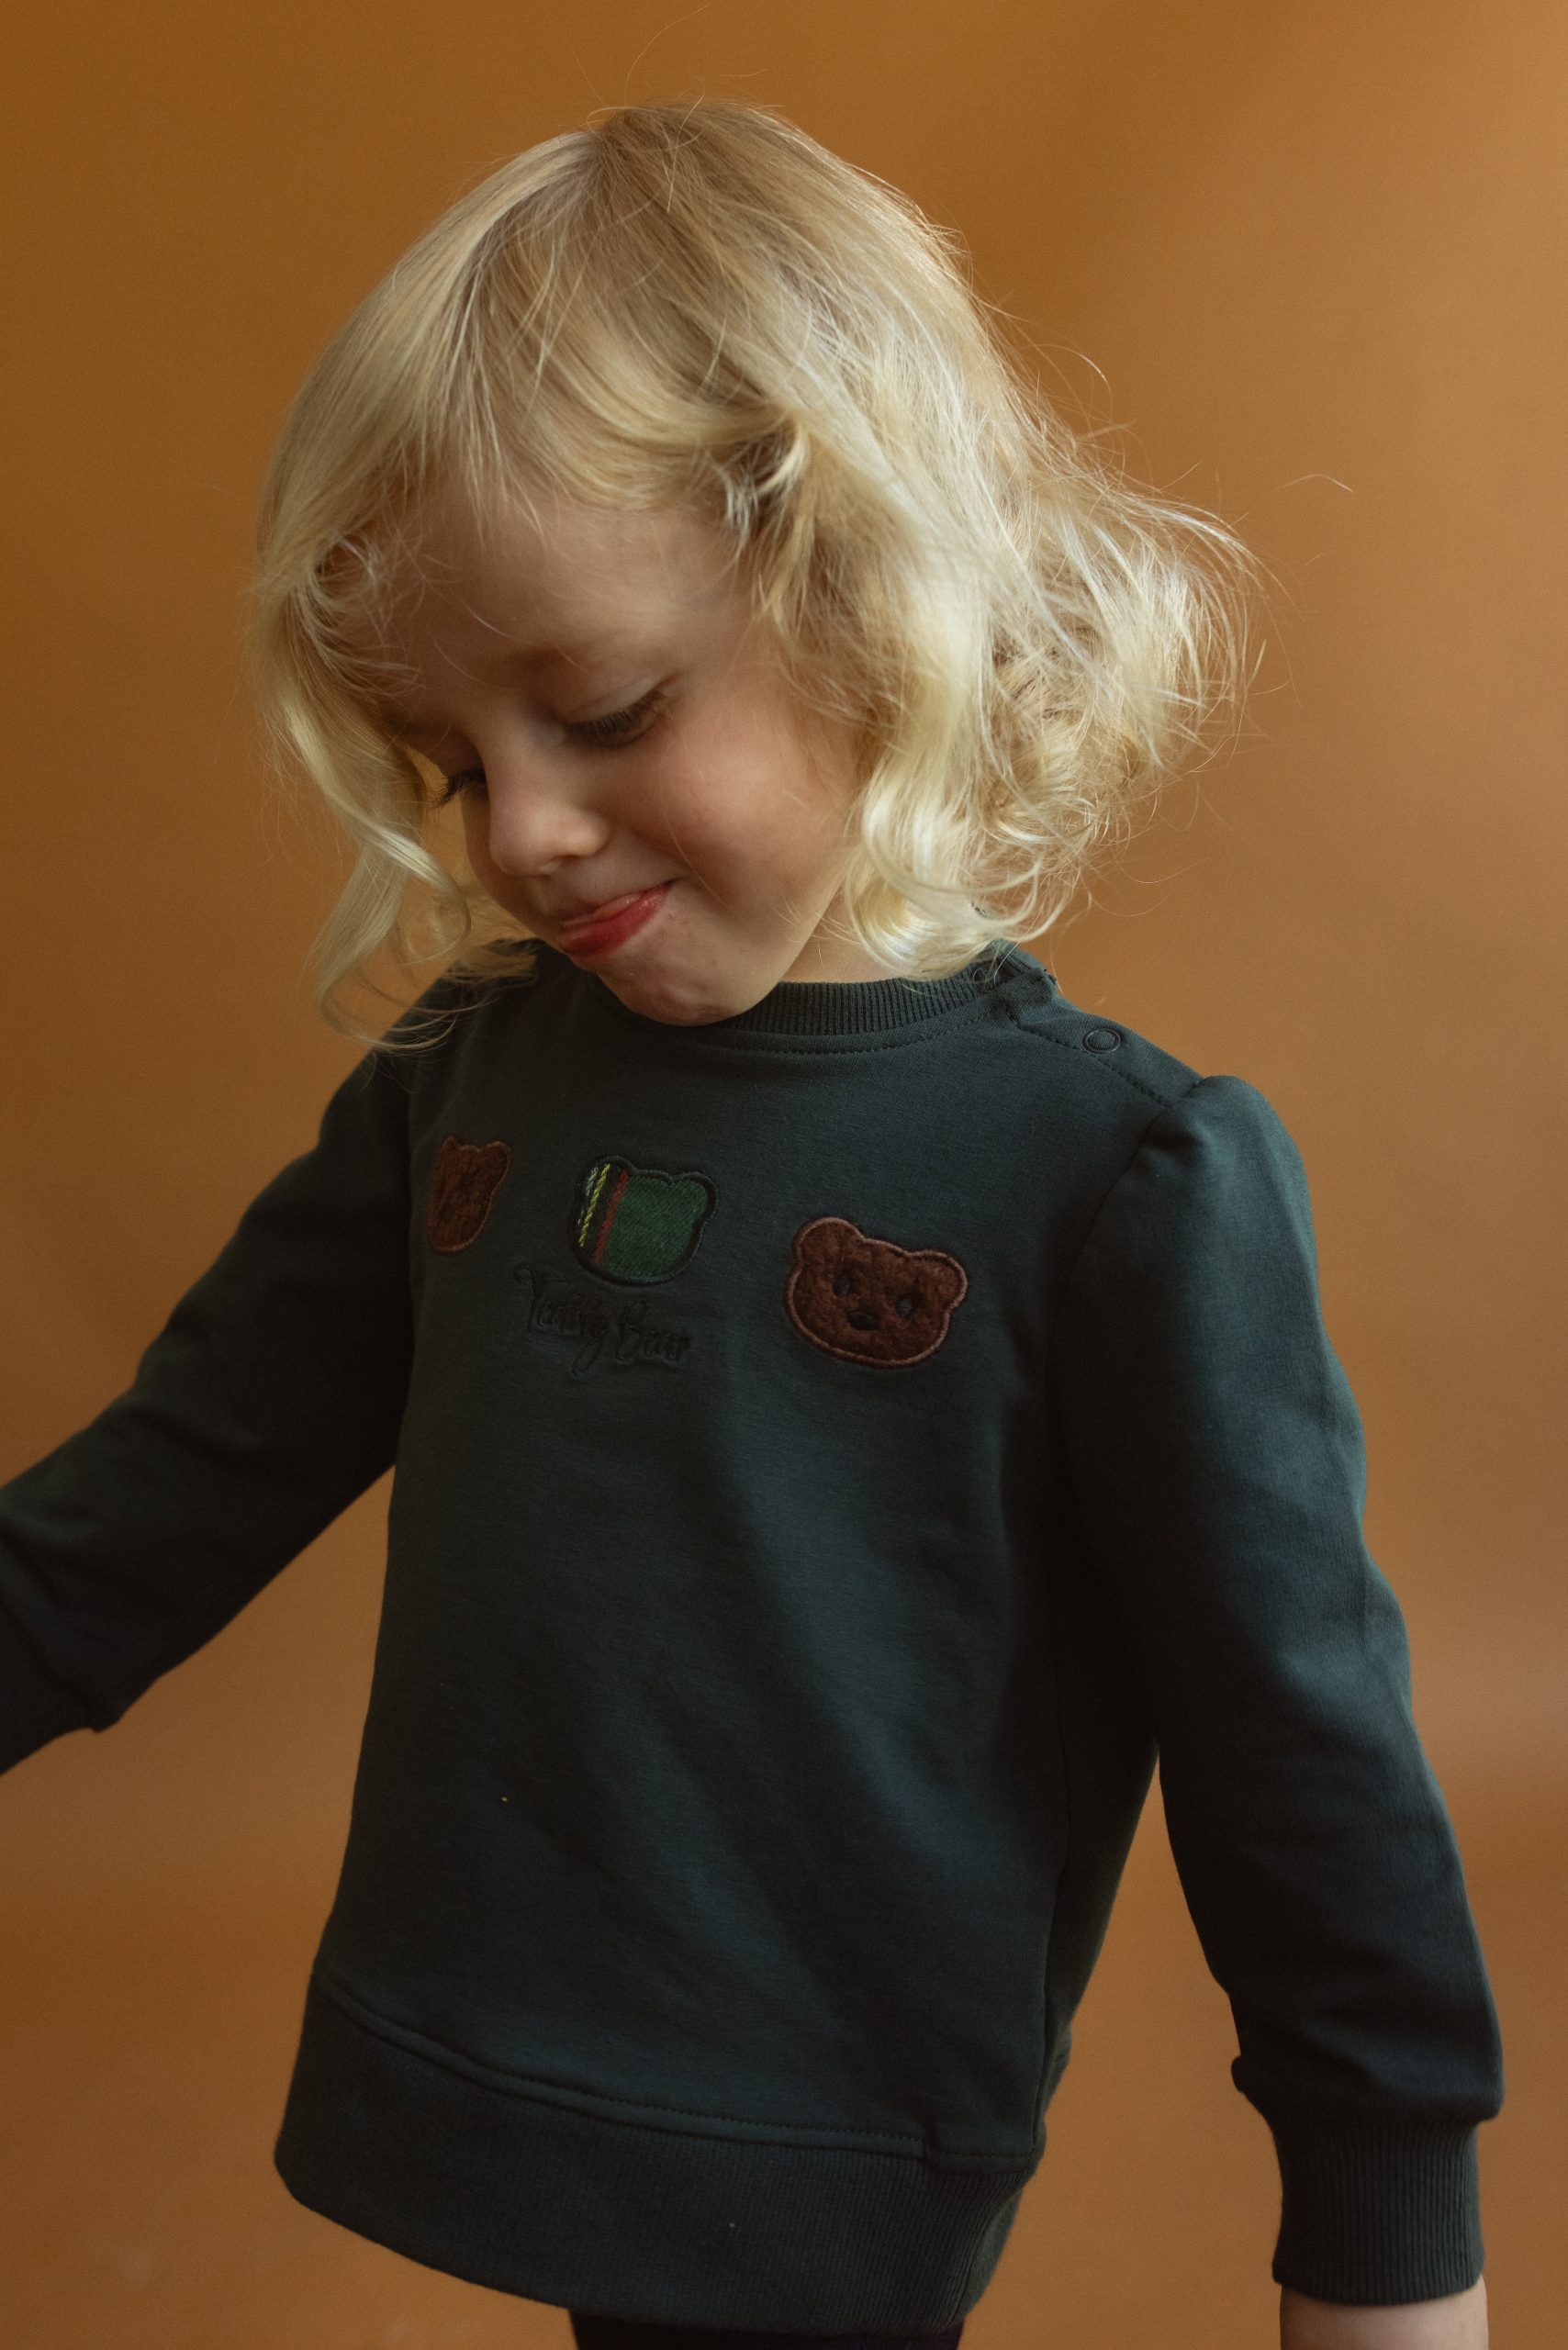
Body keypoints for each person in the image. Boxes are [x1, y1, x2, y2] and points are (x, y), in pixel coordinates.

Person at [0, 95, 1501, 2350]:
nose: (516, 830)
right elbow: (140, 1516)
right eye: (446, 757)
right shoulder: (460, 1088)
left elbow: (1299, 1759)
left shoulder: (1116, 1179)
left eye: (603, 708)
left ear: (868, 592)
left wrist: (1384, 2234)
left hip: (829, 2145)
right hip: (507, 2070)